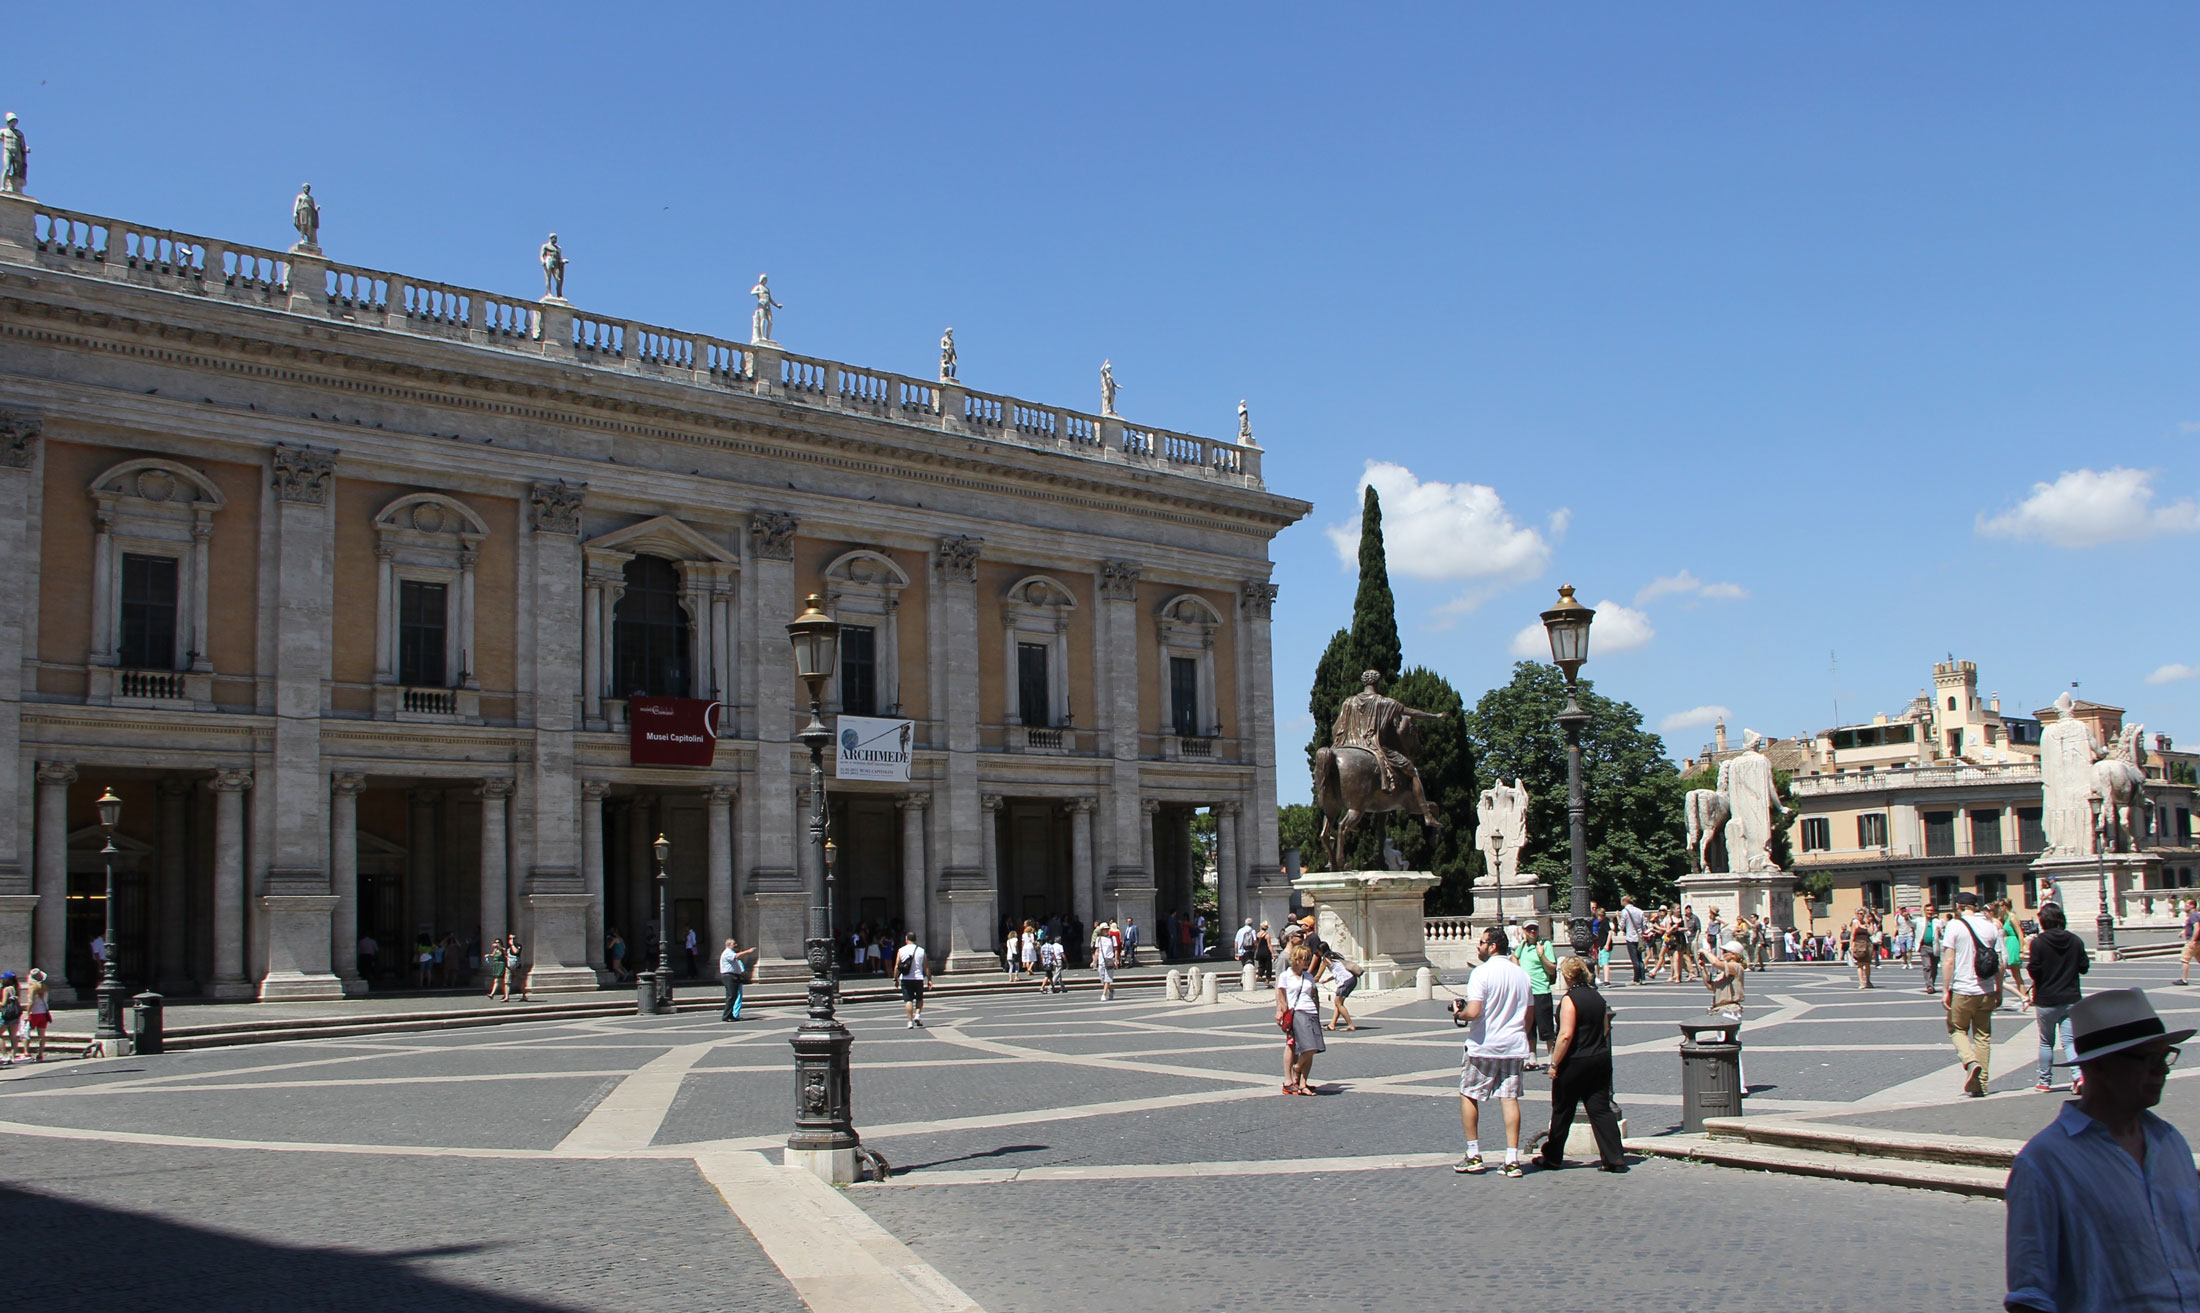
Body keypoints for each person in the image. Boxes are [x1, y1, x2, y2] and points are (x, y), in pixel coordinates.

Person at [2004, 988, 2200, 1313]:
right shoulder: (2044, 1163)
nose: (2163, 1070)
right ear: (2099, 1067)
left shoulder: (2171, 1142)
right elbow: (2030, 1296)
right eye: (2149, 1059)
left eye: (2165, 1056)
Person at [1453, 925, 1533, 1178]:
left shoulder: (1481, 973)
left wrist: (1459, 1014)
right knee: (1509, 1099)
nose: (1478, 946)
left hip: (1484, 1045)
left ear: (1492, 946)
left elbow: (1474, 1011)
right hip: (1514, 1045)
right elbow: (1529, 1015)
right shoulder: (1522, 975)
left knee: (1469, 1094)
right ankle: (1512, 1158)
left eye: (1481, 942)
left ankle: (1474, 1154)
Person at [1540, 955, 1627, 1172]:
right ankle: (1614, 1156)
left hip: (1575, 1062)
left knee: (1562, 1110)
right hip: (1599, 1058)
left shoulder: (1570, 999)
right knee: (1600, 1109)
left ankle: (1553, 1157)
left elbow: (1565, 1035)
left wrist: (1554, 1063)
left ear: (1567, 976)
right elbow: (1605, 1028)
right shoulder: (1597, 997)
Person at [1943, 891, 2003, 1098]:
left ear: (1959, 906)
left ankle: (1970, 1062)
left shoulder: (1954, 925)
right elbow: (2000, 963)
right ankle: (1981, 1084)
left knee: (1956, 1028)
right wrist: (1999, 989)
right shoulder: (1991, 926)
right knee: (1983, 1036)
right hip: (1986, 990)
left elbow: (1949, 961)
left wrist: (1945, 989)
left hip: (1963, 988)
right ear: (1975, 906)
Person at [2026, 903, 2089, 1092]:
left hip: (2046, 999)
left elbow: (2034, 969)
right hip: (2071, 998)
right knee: (2069, 1042)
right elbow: (2084, 967)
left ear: (2043, 921)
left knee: (2046, 1042)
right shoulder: (2075, 940)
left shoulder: (2038, 942)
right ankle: (2078, 1076)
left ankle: (2044, 1081)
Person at [1275, 942, 1325, 1095]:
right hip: (1297, 1012)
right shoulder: (1285, 976)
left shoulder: (1308, 976)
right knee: (1307, 1046)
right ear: (1296, 959)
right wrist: (1281, 1010)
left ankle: (1303, 1083)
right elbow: (1280, 995)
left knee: (1315, 1047)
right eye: (1305, 958)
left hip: (1311, 1012)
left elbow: (1313, 995)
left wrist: (1317, 1010)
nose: (1307, 961)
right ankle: (1294, 1072)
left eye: (1308, 958)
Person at [1517, 921, 1557, 1069]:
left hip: (1541, 991)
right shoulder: (1522, 945)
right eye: (1529, 929)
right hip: (1526, 992)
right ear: (1524, 931)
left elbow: (1552, 969)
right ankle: (1532, 1058)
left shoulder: (1545, 945)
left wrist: (1541, 955)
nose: (1532, 931)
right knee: (1529, 1026)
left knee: (1546, 1027)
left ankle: (1551, 1057)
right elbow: (1514, 957)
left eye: (1534, 928)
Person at [895, 931, 931, 1028]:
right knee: (919, 998)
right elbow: (926, 967)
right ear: (915, 939)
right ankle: (917, 1015)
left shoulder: (901, 950)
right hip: (918, 978)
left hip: (906, 978)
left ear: (906, 939)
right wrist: (929, 979)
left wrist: (895, 978)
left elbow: (897, 966)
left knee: (908, 1000)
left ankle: (910, 1022)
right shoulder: (921, 950)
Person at [1999, 902, 2028, 1011]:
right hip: (2009, 943)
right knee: (2014, 973)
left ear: (2005, 906)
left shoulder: (2012, 918)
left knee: (2016, 973)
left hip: (2013, 943)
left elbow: (2020, 933)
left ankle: (2023, 997)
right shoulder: (2007, 918)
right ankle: (2022, 996)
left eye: (2001, 906)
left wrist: (2021, 949)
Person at [720, 937, 756, 1021]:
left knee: (733, 996)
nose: (735, 945)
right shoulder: (727, 952)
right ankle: (726, 1016)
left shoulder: (731, 952)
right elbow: (737, 956)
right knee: (731, 996)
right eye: (734, 944)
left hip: (733, 976)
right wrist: (748, 951)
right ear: (729, 945)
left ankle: (731, 1015)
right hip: (729, 976)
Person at [1324, 948, 1358, 1032]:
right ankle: (1332, 1025)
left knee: (1338, 1003)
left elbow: (1319, 974)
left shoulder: (1325, 960)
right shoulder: (1336, 960)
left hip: (1345, 981)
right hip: (1351, 979)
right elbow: (1338, 973)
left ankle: (1350, 1025)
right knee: (1338, 1003)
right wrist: (1327, 980)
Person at [22, 968, 51, 1061]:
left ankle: (26, 1052)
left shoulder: (32, 988)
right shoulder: (45, 987)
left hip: (34, 1013)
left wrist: (27, 1013)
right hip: (43, 1013)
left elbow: (31, 1002)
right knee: (42, 1035)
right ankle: (40, 1054)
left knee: (25, 1033)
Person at [1618, 895, 1648, 985]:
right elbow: (1644, 925)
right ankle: (1642, 978)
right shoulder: (1639, 911)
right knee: (1640, 958)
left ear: (1624, 901)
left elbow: (1621, 926)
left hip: (1630, 937)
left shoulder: (1625, 911)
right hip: (1639, 937)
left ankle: (1636, 979)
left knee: (1634, 959)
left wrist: (1618, 918)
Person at [1842, 907, 1875, 990]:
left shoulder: (1867, 924)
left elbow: (1871, 933)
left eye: (1862, 914)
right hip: (1859, 944)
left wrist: (1869, 924)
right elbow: (1852, 935)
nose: (1860, 915)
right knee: (1860, 964)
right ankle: (1861, 982)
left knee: (1867, 964)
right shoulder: (1855, 923)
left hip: (1867, 944)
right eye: (1859, 913)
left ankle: (1868, 981)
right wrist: (1851, 946)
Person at [1093, 921, 1119, 1000]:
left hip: (1110, 960)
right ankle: (1111, 990)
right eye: (1104, 929)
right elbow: (1097, 951)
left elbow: (1116, 950)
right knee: (1102, 979)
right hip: (1101, 961)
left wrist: (1116, 960)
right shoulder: (1099, 939)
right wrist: (1094, 961)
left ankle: (1103, 994)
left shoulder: (1112, 938)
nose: (1106, 930)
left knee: (1107, 978)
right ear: (1101, 930)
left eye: (1107, 929)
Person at [2178, 897, 2200, 986]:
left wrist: (2193, 941)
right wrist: (2184, 931)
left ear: (2192, 906)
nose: (2185, 906)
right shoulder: (2195, 915)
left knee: (2184, 959)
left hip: (2193, 942)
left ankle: (2184, 980)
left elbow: (2197, 928)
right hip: (2198, 942)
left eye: (2187, 905)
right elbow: (2192, 927)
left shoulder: (2194, 915)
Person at [0, 970, 19, 1067]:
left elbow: (3, 1003)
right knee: (13, 1037)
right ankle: (13, 1056)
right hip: (15, 1014)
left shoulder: (6, 989)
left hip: (6, 1015)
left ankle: (5, 1055)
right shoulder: (16, 988)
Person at [485, 935, 509, 1000]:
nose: (497, 943)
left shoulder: (503, 949)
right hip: (496, 964)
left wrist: (499, 946)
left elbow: (505, 953)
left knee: (497, 980)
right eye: (495, 942)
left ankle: (492, 994)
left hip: (501, 964)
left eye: (498, 942)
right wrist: (488, 955)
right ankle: (505, 994)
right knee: (501, 982)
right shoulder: (496, 949)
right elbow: (493, 955)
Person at [504, 935, 526, 1002]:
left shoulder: (518, 946)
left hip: (517, 966)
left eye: (514, 938)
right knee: (507, 982)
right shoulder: (508, 947)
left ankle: (524, 996)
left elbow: (516, 952)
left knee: (519, 981)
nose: (512, 940)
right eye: (510, 938)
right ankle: (506, 997)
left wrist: (512, 945)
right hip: (509, 966)